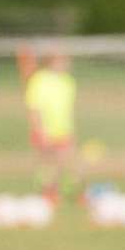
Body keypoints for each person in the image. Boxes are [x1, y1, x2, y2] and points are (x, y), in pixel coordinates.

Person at [19, 47, 80, 201]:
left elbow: (69, 109)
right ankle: (47, 192)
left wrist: (72, 129)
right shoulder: (39, 80)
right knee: (48, 164)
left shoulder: (68, 82)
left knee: (67, 162)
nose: (66, 64)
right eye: (63, 61)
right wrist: (39, 130)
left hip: (64, 130)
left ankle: (68, 191)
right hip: (45, 130)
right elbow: (33, 107)